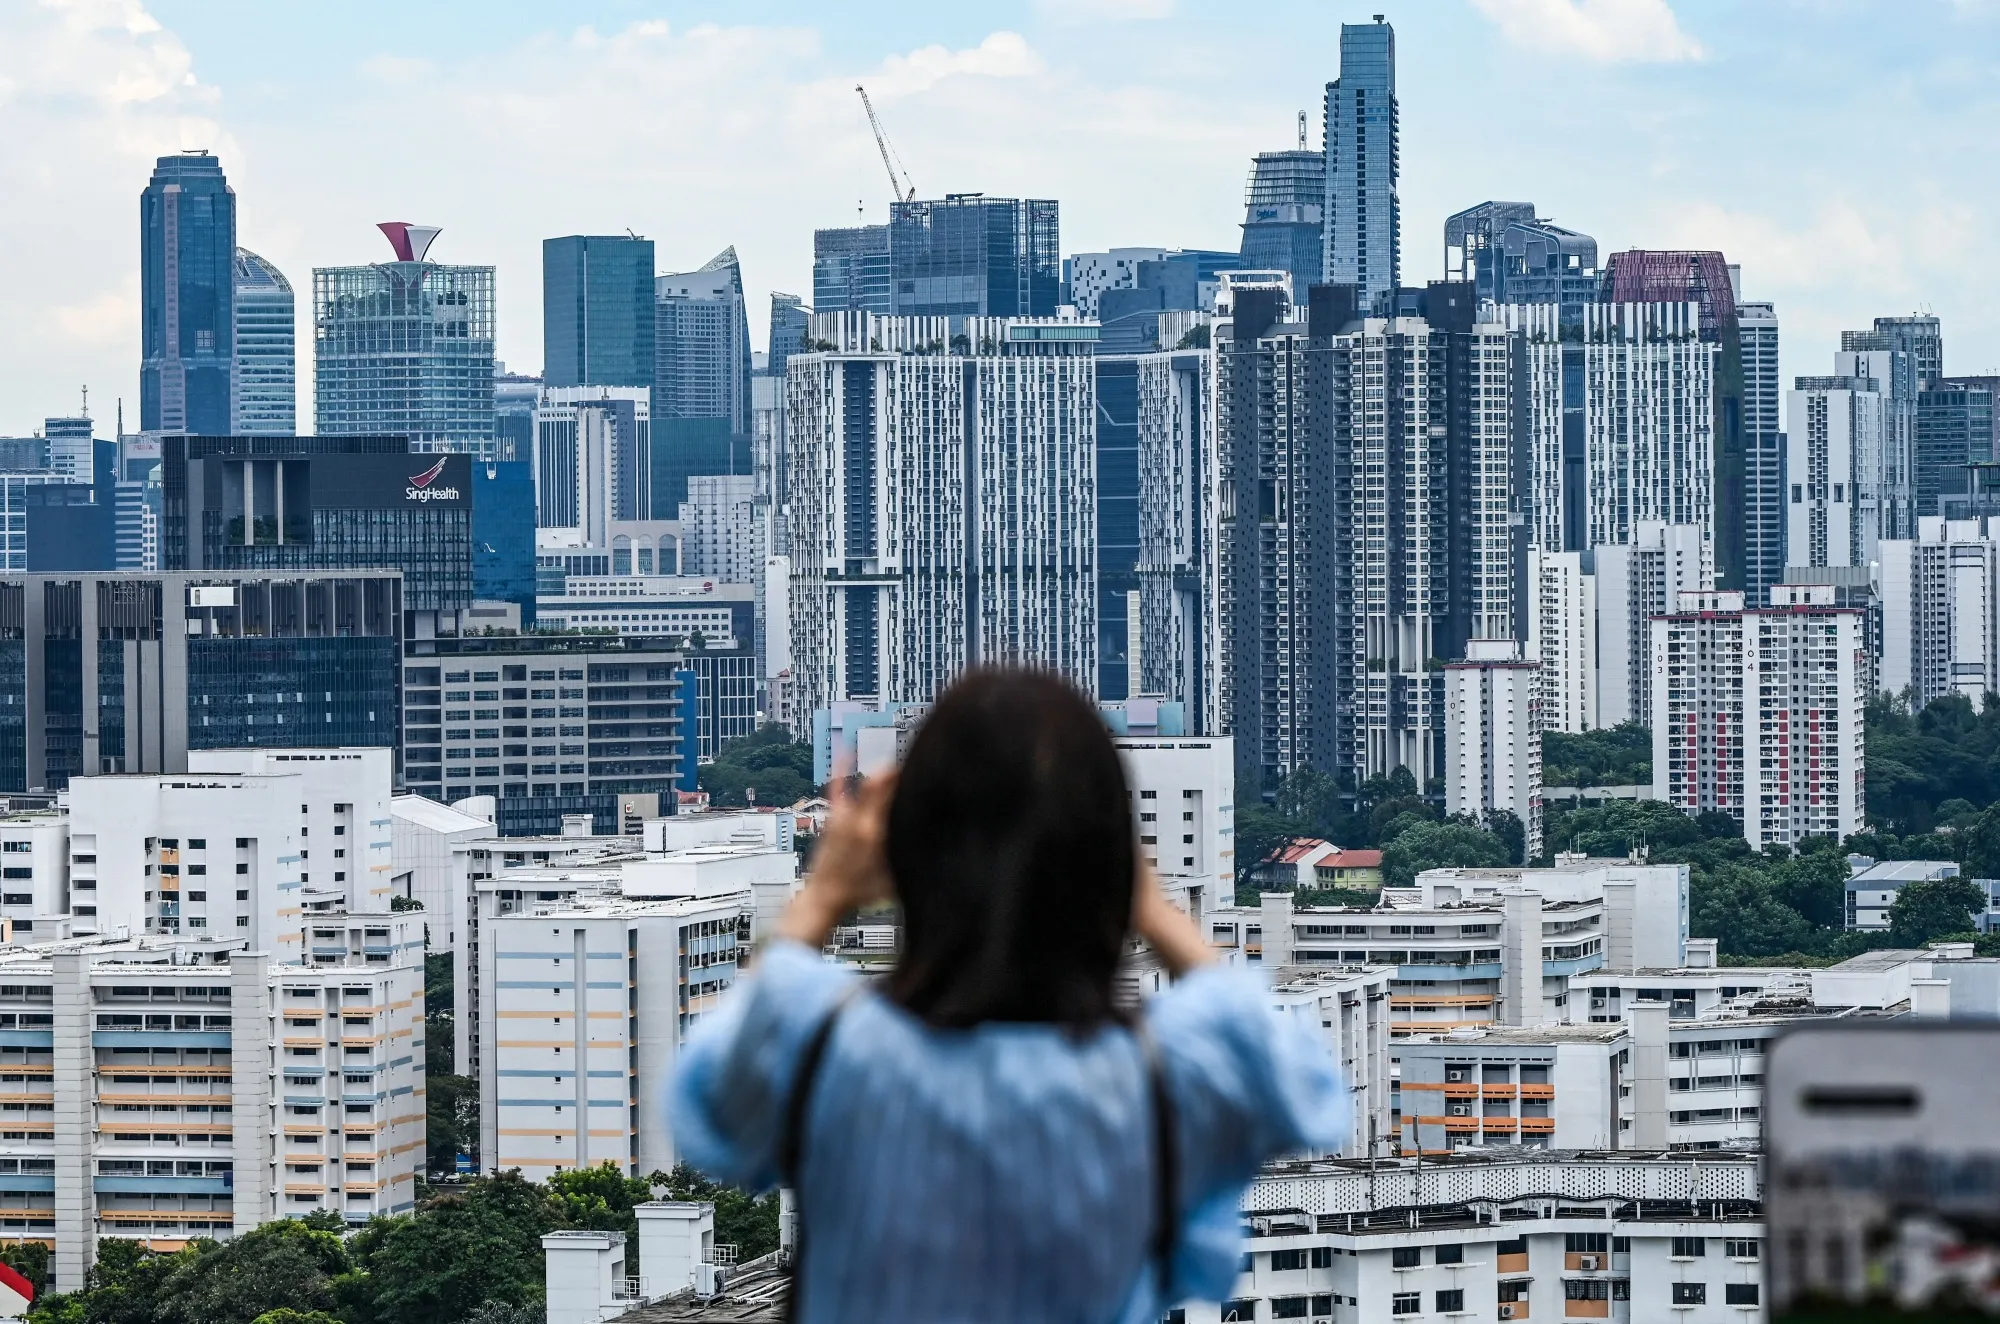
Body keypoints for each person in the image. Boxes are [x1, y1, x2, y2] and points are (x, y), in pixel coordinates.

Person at [671, 668, 1343, 1323]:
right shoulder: (1158, 1080)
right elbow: (1302, 1087)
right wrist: (1150, 905)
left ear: (910, 854)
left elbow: (709, 1105)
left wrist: (823, 893)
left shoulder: (824, 1046)